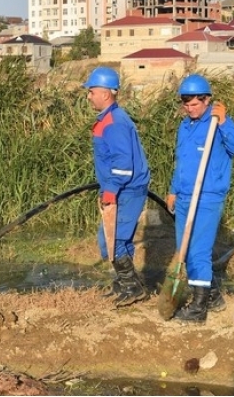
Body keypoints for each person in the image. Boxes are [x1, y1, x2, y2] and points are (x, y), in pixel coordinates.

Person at [166, 73, 234, 324]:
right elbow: (182, 163)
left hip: (208, 196)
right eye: (186, 104)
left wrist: (224, 122)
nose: (190, 108)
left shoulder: (216, 122)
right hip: (184, 196)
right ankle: (212, 296)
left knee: (198, 251)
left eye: (195, 104)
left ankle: (198, 310)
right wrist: (173, 189)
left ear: (207, 100)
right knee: (186, 250)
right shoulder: (185, 126)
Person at [83, 66, 151, 308]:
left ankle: (133, 287)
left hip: (127, 189)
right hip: (121, 188)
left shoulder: (115, 122)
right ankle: (124, 284)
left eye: (91, 92)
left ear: (105, 93)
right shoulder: (108, 119)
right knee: (116, 240)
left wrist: (111, 189)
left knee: (113, 240)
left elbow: (123, 163)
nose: (88, 96)